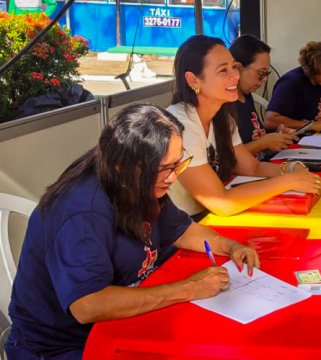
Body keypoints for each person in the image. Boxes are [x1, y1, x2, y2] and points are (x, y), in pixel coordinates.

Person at [5, 104, 260, 358]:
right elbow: (88, 305)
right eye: (164, 169)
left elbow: (181, 230)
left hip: (120, 324)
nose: (173, 178)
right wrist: (189, 288)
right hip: (63, 347)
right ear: (123, 166)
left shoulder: (140, 180)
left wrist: (230, 246)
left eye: (177, 164)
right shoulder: (82, 211)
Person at [166, 35, 321, 219]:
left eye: (234, 67)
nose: (235, 76)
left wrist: (291, 169)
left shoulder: (223, 118)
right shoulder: (181, 125)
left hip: (205, 217)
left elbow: (251, 168)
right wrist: (287, 181)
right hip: (178, 231)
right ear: (193, 80)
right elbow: (221, 202)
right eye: (223, 70)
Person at [228, 35, 297, 160]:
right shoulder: (225, 105)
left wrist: (276, 135)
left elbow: (255, 136)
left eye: (266, 74)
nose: (264, 79)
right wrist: (264, 142)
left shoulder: (246, 96)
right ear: (237, 68)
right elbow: (228, 155)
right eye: (261, 73)